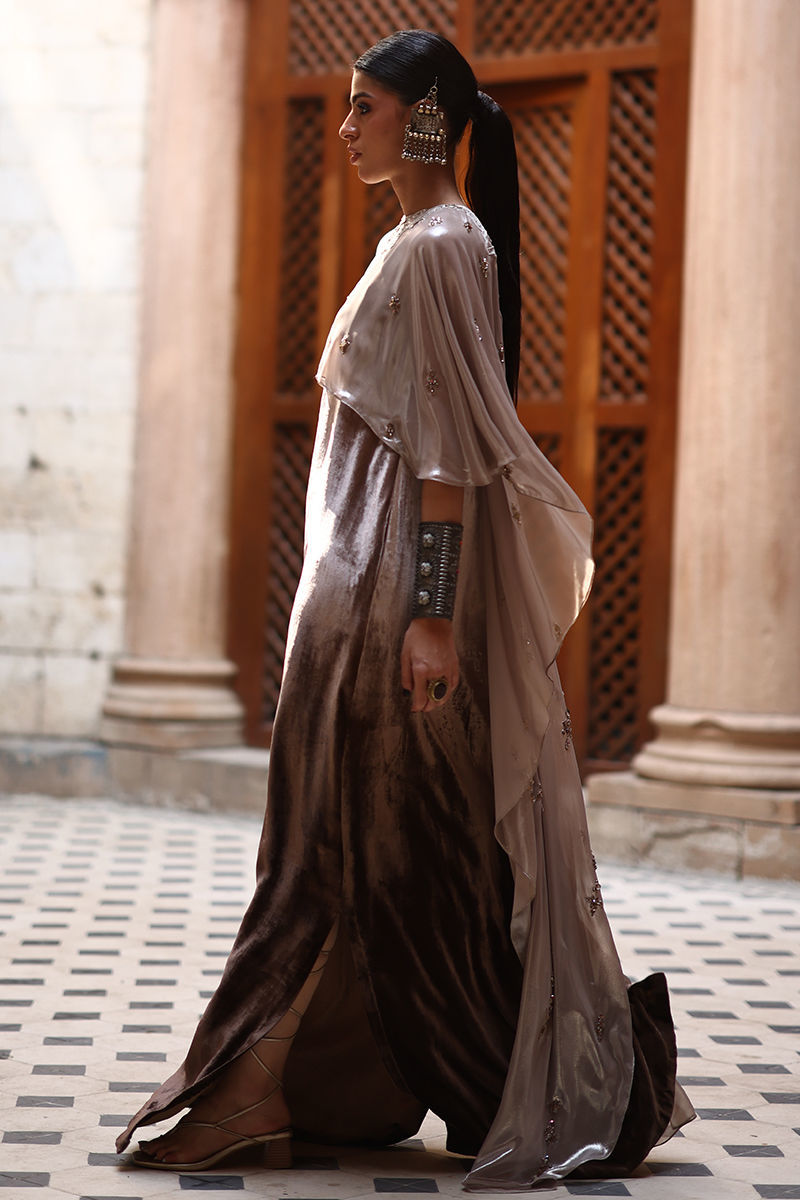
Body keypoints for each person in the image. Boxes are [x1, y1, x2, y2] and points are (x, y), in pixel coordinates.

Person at [117, 29, 695, 1190]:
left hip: (381, 601)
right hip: (355, 591)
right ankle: (328, 1075)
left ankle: (260, 1083)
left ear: (426, 119)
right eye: (344, 106)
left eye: (365, 109)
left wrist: (430, 616)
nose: (345, 129)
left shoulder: (439, 245)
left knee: (345, 848)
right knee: (364, 844)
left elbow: (443, 459)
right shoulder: (418, 241)